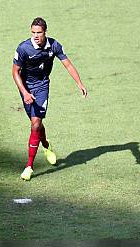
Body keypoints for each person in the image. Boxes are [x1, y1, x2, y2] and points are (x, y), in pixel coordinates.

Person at [13, 17, 87, 181]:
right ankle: (46, 144)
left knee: (35, 123)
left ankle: (29, 167)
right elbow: (15, 72)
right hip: (25, 87)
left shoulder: (54, 46)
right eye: (33, 32)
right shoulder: (24, 48)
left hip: (42, 87)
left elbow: (68, 64)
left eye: (39, 32)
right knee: (36, 123)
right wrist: (24, 93)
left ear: (45, 32)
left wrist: (79, 83)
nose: (35, 36)